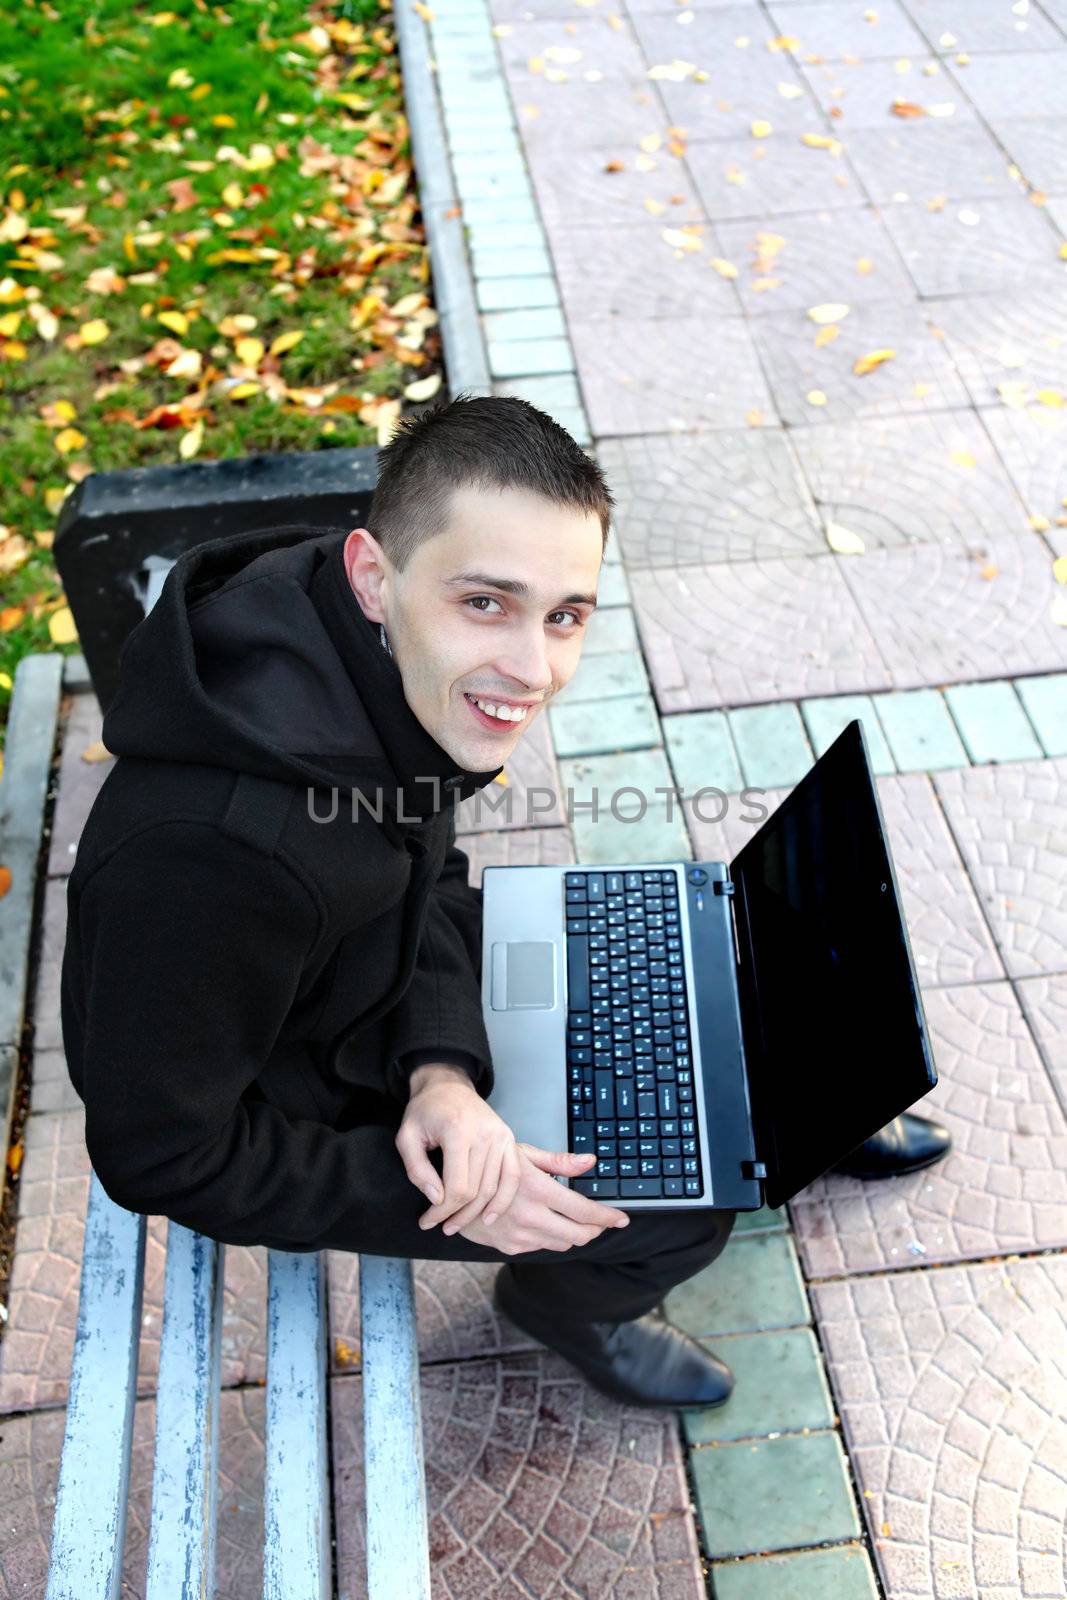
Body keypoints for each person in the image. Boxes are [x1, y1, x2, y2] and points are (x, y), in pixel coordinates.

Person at [60, 394, 950, 1410]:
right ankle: (573, 1301)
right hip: (291, 1076)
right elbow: (161, 1154)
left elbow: (422, 866)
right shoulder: (215, 860)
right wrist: (469, 1186)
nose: (533, 671)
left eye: (563, 614)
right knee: (670, 1192)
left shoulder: (355, 642)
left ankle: (789, 1101)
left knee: (694, 957)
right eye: (485, 603)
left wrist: (441, 1066)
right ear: (370, 572)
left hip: (361, 967)